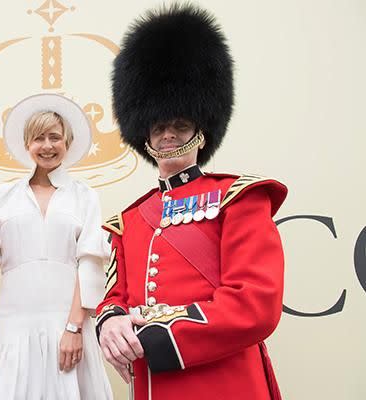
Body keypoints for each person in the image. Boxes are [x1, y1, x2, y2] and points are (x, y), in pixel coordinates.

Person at [95, 4, 286, 400]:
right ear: (144, 135)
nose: (168, 135)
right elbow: (115, 297)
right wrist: (109, 322)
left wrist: (158, 335)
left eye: (180, 124)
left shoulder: (239, 198)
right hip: (154, 387)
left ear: (201, 129)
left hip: (227, 384)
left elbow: (254, 304)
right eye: (159, 126)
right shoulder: (129, 220)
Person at [0, 94, 112, 399]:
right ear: (27, 144)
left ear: (67, 143)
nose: (47, 145)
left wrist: (73, 329)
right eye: (39, 138)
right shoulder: (5, 195)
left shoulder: (84, 195)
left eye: (55, 137)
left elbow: (89, 264)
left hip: (66, 323)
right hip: (15, 326)